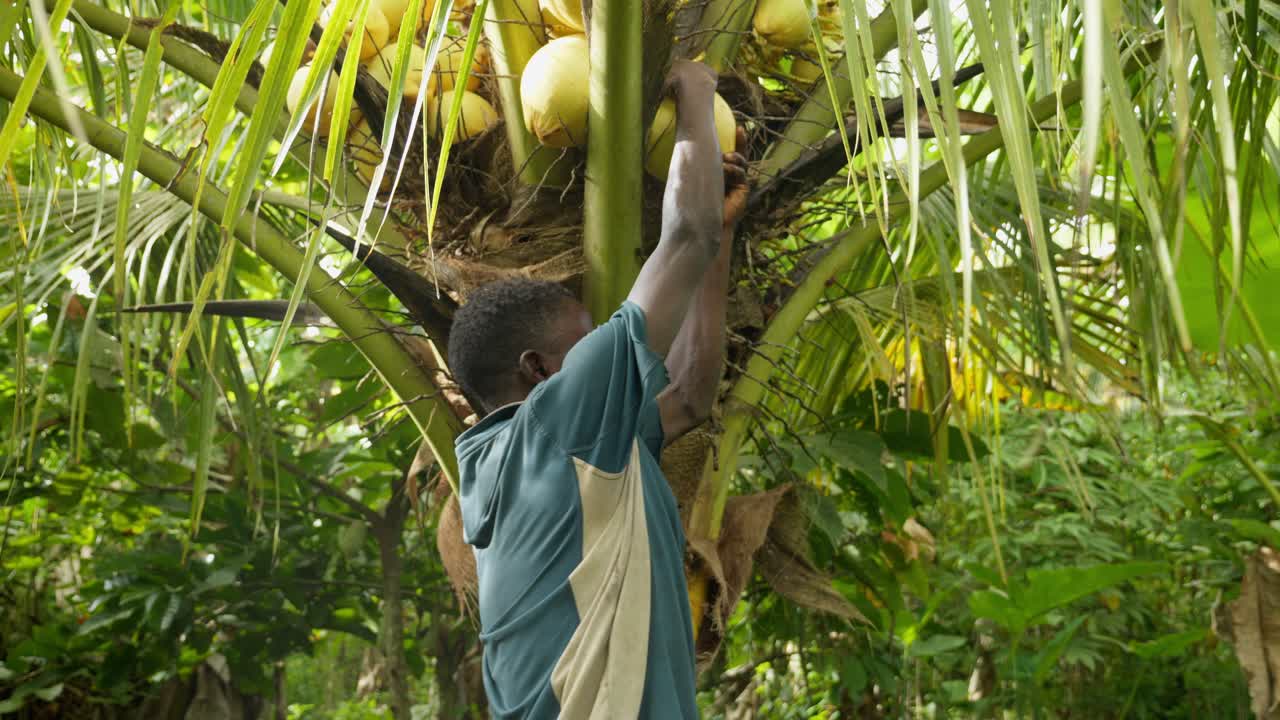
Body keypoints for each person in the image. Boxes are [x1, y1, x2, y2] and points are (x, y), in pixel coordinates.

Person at [445, 59, 749, 719]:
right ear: (540, 370)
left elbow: (692, 392)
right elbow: (683, 237)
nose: (604, 355)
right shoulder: (559, 426)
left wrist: (719, 245)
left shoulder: (550, 459)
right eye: (583, 342)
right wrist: (697, 94)